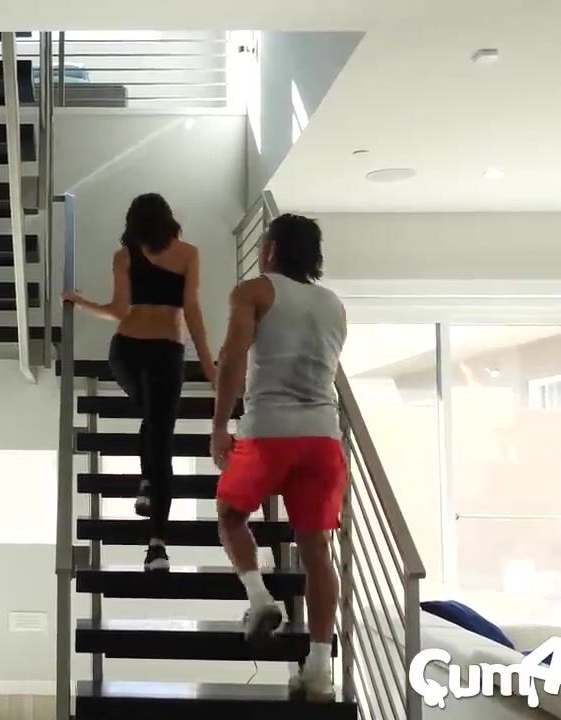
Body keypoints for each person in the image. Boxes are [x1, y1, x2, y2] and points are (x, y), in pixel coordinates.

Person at [209, 214, 346, 700]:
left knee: (230, 514)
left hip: (268, 432)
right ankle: (320, 668)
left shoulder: (254, 292)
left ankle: (259, 596)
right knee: (316, 550)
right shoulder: (334, 304)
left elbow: (232, 359)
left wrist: (220, 425)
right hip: (323, 438)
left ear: (269, 249)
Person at [65, 193, 216, 572]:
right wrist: (208, 363)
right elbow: (192, 311)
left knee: (155, 421)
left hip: (126, 351)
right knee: (159, 432)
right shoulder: (187, 254)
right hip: (165, 351)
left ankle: (149, 485)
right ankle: (157, 545)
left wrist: (82, 302)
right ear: (169, 219)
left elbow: (119, 311)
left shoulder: (125, 255)